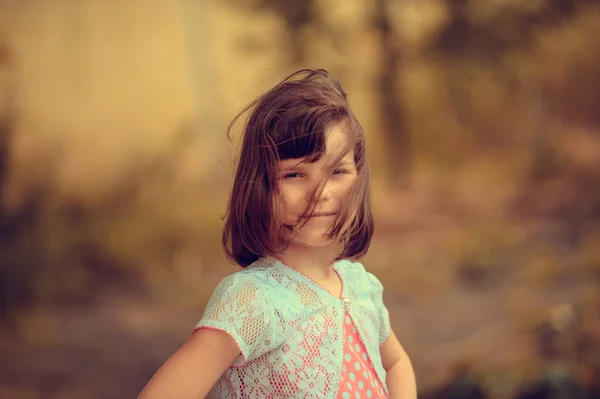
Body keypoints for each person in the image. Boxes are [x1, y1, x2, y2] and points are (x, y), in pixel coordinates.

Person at [137, 69, 417, 399]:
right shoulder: (255, 299)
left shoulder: (360, 287)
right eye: (295, 174)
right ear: (261, 185)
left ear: (359, 177)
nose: (320, 191)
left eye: (337, 171)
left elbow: (396, 363)